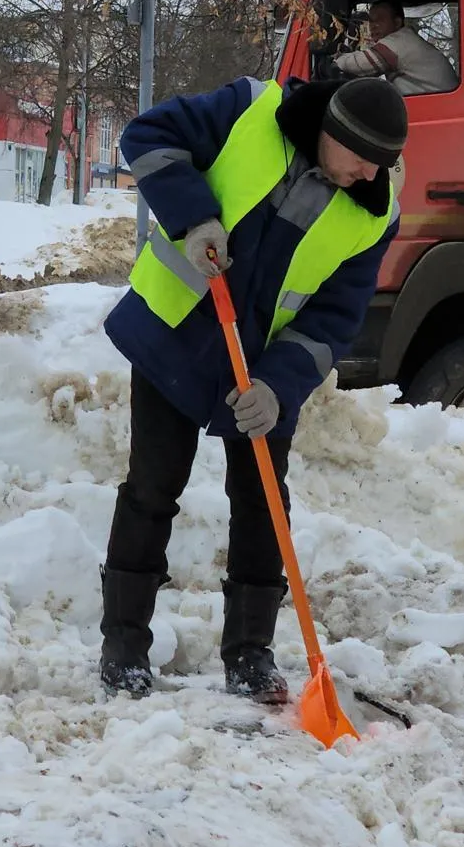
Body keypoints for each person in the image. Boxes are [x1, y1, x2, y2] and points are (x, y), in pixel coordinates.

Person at [100, 75, 408, 702]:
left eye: (381, 165)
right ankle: (124, 648)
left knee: (263, 501)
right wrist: (194, 217)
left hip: (263, 366)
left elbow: (334, 318)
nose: (369, 176)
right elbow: (148, 135)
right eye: (360, 159)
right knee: (153, 486)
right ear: (329, 132)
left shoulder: (375, 215)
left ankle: (249, 656)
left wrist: (278, 386)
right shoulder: (250, 109)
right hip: (178, 333)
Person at [333, 0, 460, 96]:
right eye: (371, 20)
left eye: (380, 19)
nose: (373, 25)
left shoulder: (399, 42)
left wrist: (334, 60)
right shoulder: (406, 40)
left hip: (437, 110)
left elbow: (358, 64)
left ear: (397, 22)